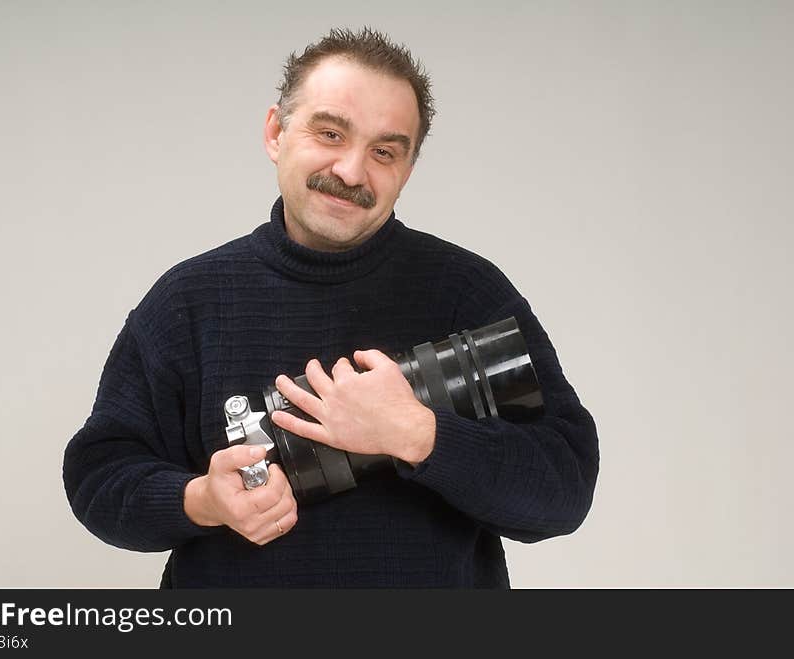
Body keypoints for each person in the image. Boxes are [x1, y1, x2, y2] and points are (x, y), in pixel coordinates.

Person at [63, 27, 599, 588]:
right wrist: (200, 500)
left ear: (408, 169)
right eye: (329, 133)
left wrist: (417, 434)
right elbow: (98, 479)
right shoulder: (187, 302)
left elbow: (564, 487)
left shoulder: (468, 293)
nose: (350, 172)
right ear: (276, 132)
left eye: (384, 152)